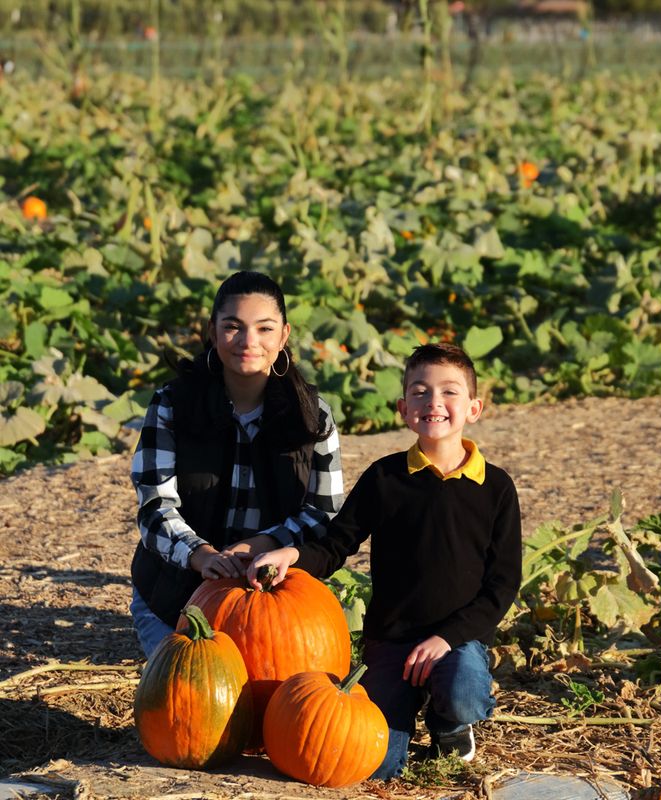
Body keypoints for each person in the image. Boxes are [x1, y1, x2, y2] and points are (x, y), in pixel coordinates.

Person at [247, 343, 522, 779]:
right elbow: (338, 542)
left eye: (449, 392)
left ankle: (450, 726)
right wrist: (293, 555)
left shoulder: (496, 488)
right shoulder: (385, 477)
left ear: (474, 408)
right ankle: (404, 718)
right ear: (402, 407)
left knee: (463, 688)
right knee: (378, 768)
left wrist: (447, 638)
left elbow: (503, 585)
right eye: (420, 392)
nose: (434, 403)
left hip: (456, 643)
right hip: (392, 641)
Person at [129, 270, 344, 658]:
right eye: (233, 327)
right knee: (192, 688)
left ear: (284, 336)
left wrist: (259, 546)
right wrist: (203, 555)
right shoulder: (172, 405)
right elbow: (155, 508)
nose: (249, 342)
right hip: (176, 591)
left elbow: (322, 512)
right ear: (213, 331)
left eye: (264, 329)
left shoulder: (312, 415)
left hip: (271, 591)